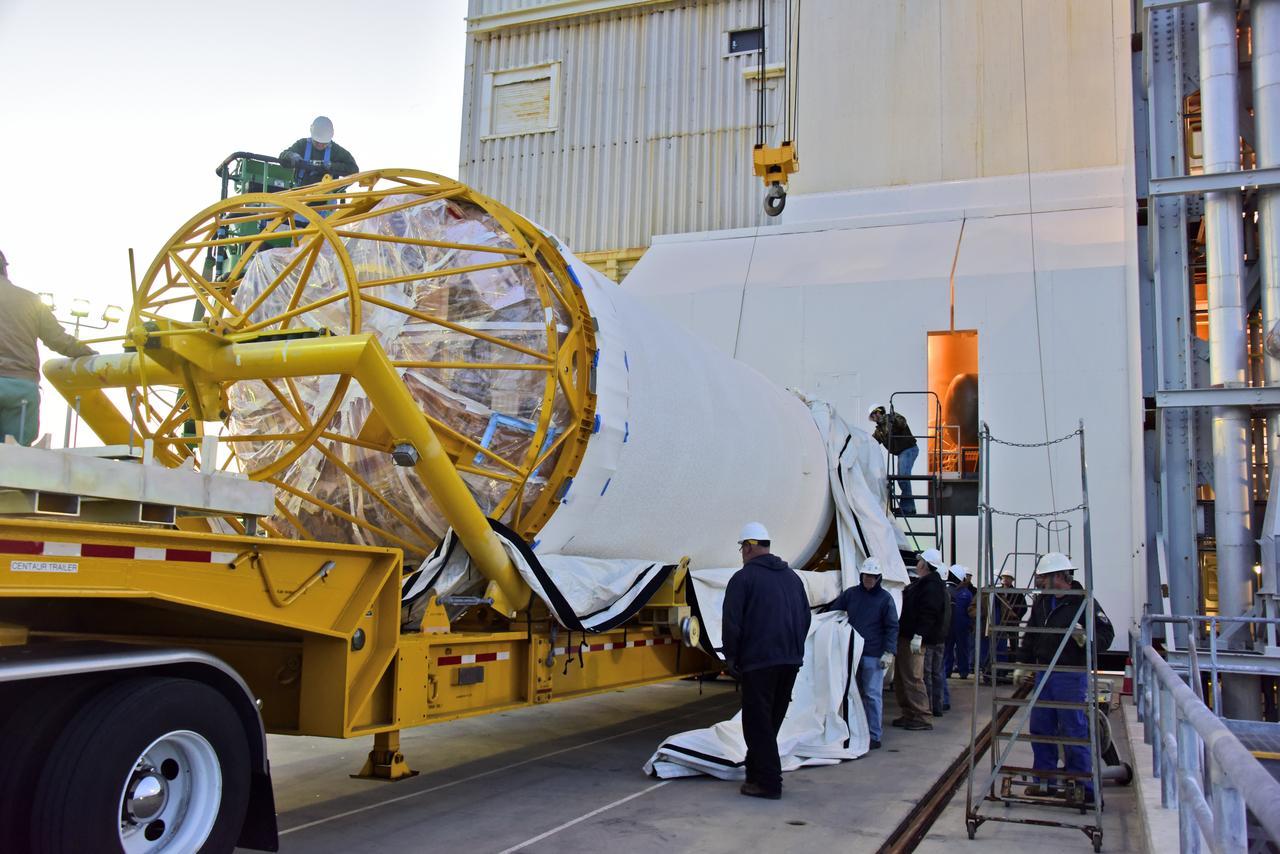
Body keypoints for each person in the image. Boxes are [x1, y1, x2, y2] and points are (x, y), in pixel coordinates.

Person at [721, 522, 812, 800]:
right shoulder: (793, 578)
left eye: (741, 548)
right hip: (789, 660)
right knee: (770, 721)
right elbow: (805, 618)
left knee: (757, 723)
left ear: (748, 547)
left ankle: (769, 783)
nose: (741, 553)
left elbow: (732, 623)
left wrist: (732, 658)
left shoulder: (743, 579)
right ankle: (755, 772)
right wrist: (794, 650)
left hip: (759, 662)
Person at [1015, 552, 1114, 804]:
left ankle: (1084, 787)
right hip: (1043, 673)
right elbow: (1031, 635)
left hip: (1070, 674)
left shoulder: (1083, 602)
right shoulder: (1042, 603)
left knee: (1072, 728)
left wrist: (1086, 641)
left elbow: (1106, 633)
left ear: (1059, 577)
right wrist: (1022, 662)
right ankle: (1045, 782)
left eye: (1043, 577)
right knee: (1041, 725)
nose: (1038, 581)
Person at [0, 249, 96, 445]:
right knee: (16, 459)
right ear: (5, 269)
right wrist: (88, 353)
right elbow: (58, 340)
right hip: (22, 388)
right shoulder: (30, 300)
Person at [827, 557, 898, 750]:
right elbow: (834, 613)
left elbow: (892, 626)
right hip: (851, 653)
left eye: (872, 577)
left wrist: (889, 651)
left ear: (878, 578)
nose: (869, 580)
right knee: (850, 694)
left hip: (873, 655)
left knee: (872, 695)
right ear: (862, 575)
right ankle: (852, 731)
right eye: (866, 576)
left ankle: (874, 735)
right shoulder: (851, 594)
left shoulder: (885, 599)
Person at [893, 548, 948, 731]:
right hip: (907, 636)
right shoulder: (925, 583)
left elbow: (929, 612)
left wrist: (919, 635)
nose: (917, 564)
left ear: (924, 564)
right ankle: (909, 713)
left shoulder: (931, 586)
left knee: (913, 677)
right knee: (903, 677)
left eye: (919, 562)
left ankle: (922, 716)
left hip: (913, 638)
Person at [869, 405, 919, 515]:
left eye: (876, 413)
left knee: (902, 477)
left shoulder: (893, 417)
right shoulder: (879, 431)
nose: (875, 416)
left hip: (909, 449)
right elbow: (870, 443)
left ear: (881, 411)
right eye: (872, 415)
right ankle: (908, 507)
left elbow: (902, 423)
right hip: (902, 453)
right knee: (902, 477)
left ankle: (908, 508)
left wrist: (894, 420)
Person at [280, 116, 359, 186]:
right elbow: (283, 157)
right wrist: (291, 156)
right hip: (300, 193)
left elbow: (354, 170)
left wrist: (332, 166)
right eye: (317, 142)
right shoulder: (302, 144)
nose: (320, 145)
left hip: (327, 197)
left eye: (324, 143)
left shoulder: (336, 151)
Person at [981, 570, 1027, 683]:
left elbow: (1024, 607)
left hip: (1012, 623)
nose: (1005, 580)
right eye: (1004, 577)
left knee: (1014, 643)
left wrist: (1016, 616)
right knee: (997, 645)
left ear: (1012, 580)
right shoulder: (997, 591)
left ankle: (1014, 665)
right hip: (1000, 623)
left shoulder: (1017, 593)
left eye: (1008, 577)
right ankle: (998, 670)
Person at [944, 565, 975, 682]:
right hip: (951, 625)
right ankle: (947, 670)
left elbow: (971, 610)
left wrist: (970, 624)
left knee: (962, 649)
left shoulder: (966, 594)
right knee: (948, 648)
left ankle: (963, 671)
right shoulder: (951, 591)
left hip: (961, 626)